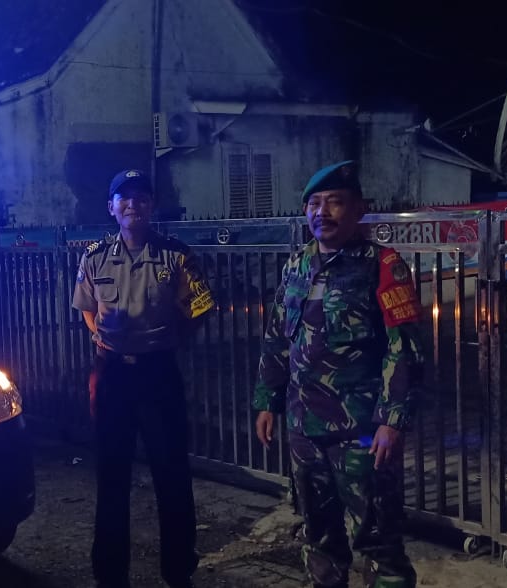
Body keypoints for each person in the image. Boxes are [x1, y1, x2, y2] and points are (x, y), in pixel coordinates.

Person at [251, 161, 425, 588]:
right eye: (314, 203)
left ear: (358, 209)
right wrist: (267, 400)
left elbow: (403, 348)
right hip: (304, 430)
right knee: (319, 539)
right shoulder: (296, 266)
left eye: (334, 202)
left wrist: (392, 421)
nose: (322, 212)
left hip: (361, 433)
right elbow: (277, 338)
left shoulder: (383, 266)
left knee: (378, 542)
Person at [72, 169, 214, 588]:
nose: (132, 204)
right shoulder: (94, 257)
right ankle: (110, 576)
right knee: (111, 476)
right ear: (111, 208)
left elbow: (199, 308)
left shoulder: (177, 256)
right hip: (113, 375)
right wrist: (103, 338)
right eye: (124, 198)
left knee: (171, 475)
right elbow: (87, 308)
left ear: (152, 206)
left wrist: (168, 341)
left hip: (158, 375)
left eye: (141, 197)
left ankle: (178, 571)